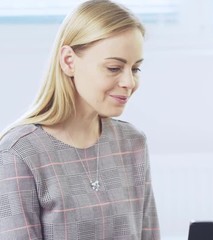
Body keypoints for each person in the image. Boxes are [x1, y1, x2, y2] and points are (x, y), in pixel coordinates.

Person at [0, 0, 160, 239]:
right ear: (68, 61)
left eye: (135, 69)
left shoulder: (132, 142)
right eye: (114, 68)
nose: (129, 82)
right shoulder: (19, 153)